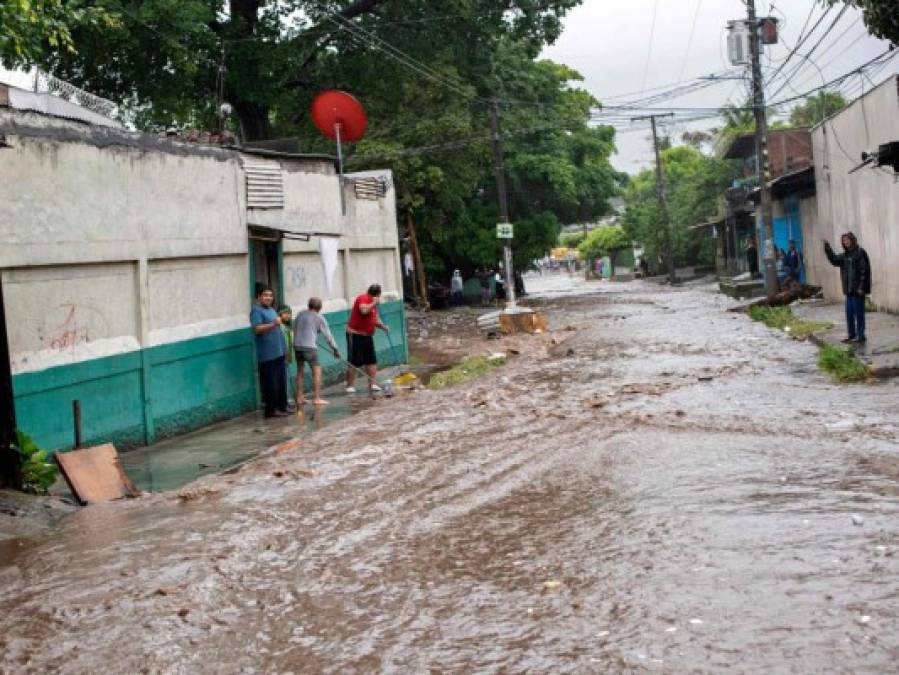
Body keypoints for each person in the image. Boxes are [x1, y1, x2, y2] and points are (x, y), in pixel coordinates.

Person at [824, 232, 872, 344]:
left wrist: (861, 287)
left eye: (847, 240)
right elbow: (834, 260)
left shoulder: (860, 252)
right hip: (849, 291)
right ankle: (851, 335)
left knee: (859, 314)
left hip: (858, 290)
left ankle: (861, 336)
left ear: (852, 240)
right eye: (844, 241)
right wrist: (827, 248)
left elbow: (864, 271)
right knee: (849, 315)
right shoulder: (845, 256)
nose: (845, 242)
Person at [250, 286, 288, 418]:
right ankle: (271, 410)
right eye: (265, 295)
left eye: (271, 295)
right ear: (259, 297)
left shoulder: (272, 309)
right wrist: (273, 324)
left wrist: (285, 348)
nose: (269, 298)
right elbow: (257, 329)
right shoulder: (256, 311)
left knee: (281, 382)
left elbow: (279, 328)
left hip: (279, 352)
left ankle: (282, 407)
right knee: (270, 384)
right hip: (267, 355)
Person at [294, 297, 340, 406]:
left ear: (309, 305)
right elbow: (328, 336)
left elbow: (296, 328)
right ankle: (316, 398)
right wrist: (335, 349)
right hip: (309, 348)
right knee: (317, 371)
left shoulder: (300, 314)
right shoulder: (319, 318)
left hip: (297, 346)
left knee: (300, 371)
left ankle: (299, 398)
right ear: (319, 308)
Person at [345, 284, 390, 395]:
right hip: (355, 334)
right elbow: (363, 311)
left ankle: (372, 384)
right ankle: (350, 386)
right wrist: (374, 303)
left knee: (371, 360)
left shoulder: (373, 304)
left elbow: (374, 320)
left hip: (368, 335)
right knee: (354, 361)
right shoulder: (362, 298)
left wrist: (383, 327)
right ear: (378, 294)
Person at [278, 305, 295, 404]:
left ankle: (287, 398)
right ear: (280, 315)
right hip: (281, 355)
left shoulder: (289, 327)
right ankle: (285, 399)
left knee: (286, 376)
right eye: (285, 313)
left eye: (289, 313)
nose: (288, 315)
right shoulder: (280, 327)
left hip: (287, 356)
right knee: (284, 378)